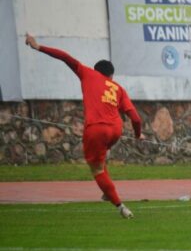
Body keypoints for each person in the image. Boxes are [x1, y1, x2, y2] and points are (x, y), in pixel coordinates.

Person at [25, 33, 143, 218]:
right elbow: (136, 118)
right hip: (116, 130)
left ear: (96, 71)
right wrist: (137, 135)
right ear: (111, 75)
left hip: (96, 129)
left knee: (96, 169)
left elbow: (65, 57)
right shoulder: (118, 88)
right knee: (101, 157)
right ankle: (107, 190)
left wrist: (38, 46)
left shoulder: (88, 73)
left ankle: (121, 207)